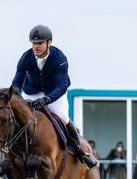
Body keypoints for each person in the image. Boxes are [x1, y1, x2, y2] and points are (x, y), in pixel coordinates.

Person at [11, 24, 98, 169]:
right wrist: (14, 94)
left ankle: (80, 152)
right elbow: (17, 82)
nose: (36, 47)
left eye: (39, 43)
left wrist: (47, 99)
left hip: (54, 94)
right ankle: (5, 156)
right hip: (31, 93)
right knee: (16, 117)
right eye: (34, 43)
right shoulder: (26, 57)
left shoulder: (59, 58)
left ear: (49, 42)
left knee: (63, 117)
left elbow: (61, 86)